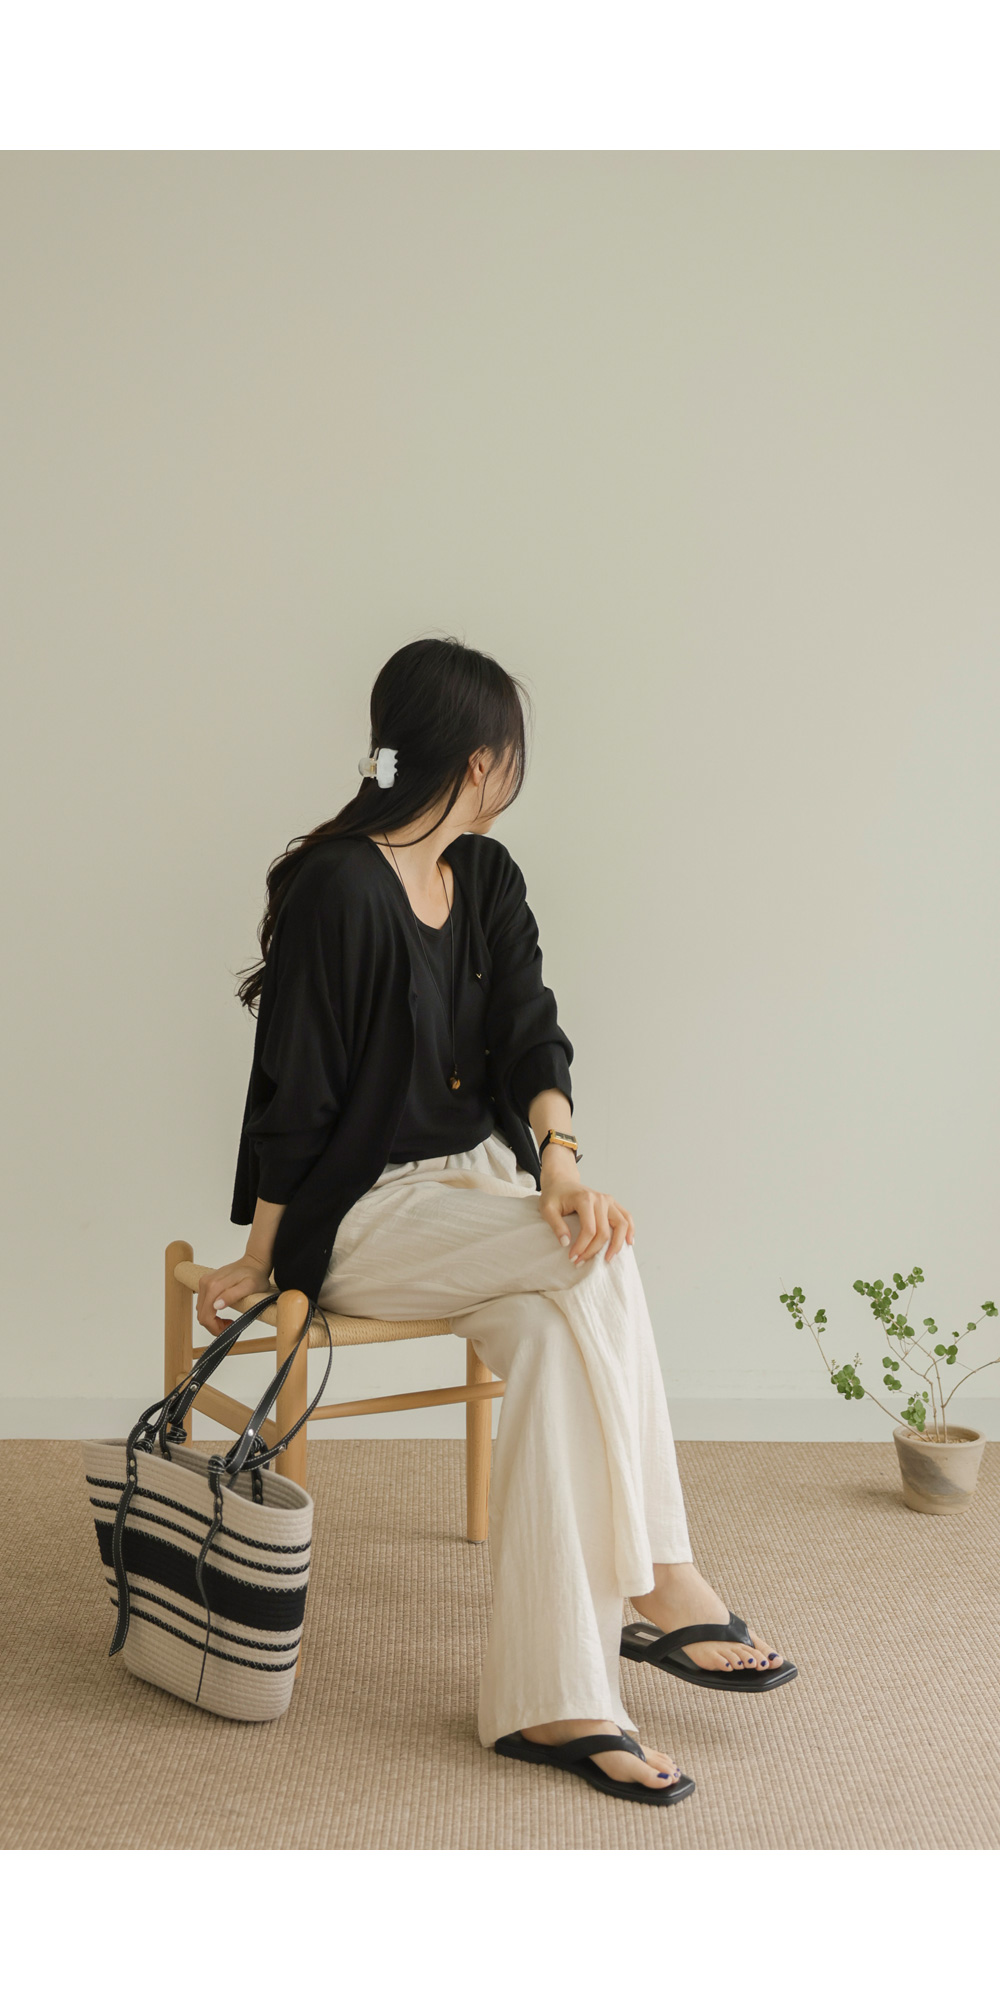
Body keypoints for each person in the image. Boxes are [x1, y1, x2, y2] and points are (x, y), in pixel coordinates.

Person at [198, 636, 795, 1808]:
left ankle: (551, 1696)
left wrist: (559, 1163)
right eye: (511, 754)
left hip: (480, 1192)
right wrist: (265, 1255)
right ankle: (661, 1573)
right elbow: (293, 1091)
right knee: (596, 1261)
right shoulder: (338, 886)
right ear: (479, 759)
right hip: (363, 1213)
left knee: (557, 1332)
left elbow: (532, 1032)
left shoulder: (487, 875)